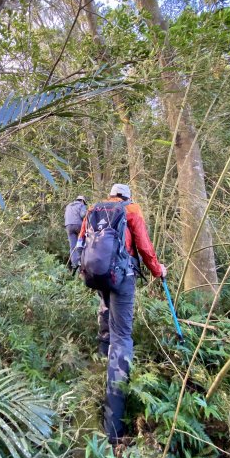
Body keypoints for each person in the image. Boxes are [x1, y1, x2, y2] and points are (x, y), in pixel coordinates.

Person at [76, 183, 166, 444]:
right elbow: (145, 248)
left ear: (111, 195)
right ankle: (114, 424)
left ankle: (102, 356)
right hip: (122, 278)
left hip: (96, 275)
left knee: (105, 308)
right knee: (123, 338)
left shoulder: (93, 208)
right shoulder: (132, 210)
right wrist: (159, 271)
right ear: (126, 196)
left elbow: (81, 241)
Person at [64, 195, 87, 268]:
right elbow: (83, 215)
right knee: (83, 242)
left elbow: (65, 216)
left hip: (68, 226)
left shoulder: (68, 206)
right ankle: (82, 262)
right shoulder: (81, 205)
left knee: (72, 246)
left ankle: (74, 264)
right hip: (78, 226)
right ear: (82, 201)